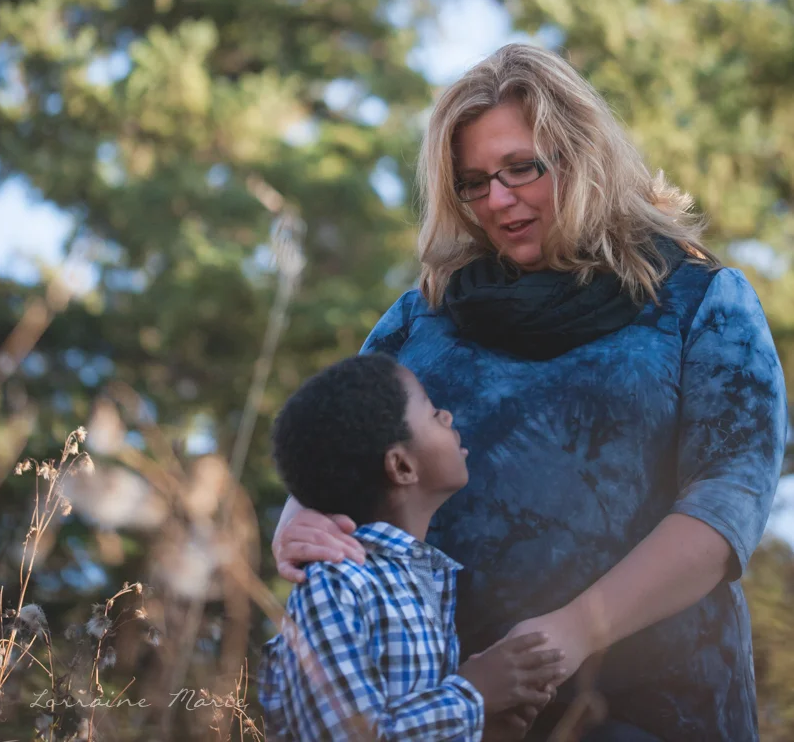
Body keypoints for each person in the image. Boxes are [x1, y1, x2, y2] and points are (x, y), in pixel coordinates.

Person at [272, 44, 788, 742]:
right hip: (448, 710)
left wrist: (570, 633)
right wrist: (297, 521)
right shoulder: (420, 314)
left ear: (583, 157)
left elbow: (727, 507)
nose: (498, 199)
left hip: (656, 706)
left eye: (521, 169)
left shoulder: (702, 302)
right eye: (474, 182)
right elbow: (341, 443)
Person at [259, 352, 566, 740]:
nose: (448, 417)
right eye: (432, 412)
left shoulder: (423, 579)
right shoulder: (336, 585)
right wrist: (476, 694)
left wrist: (488, 728)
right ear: (402, 467)